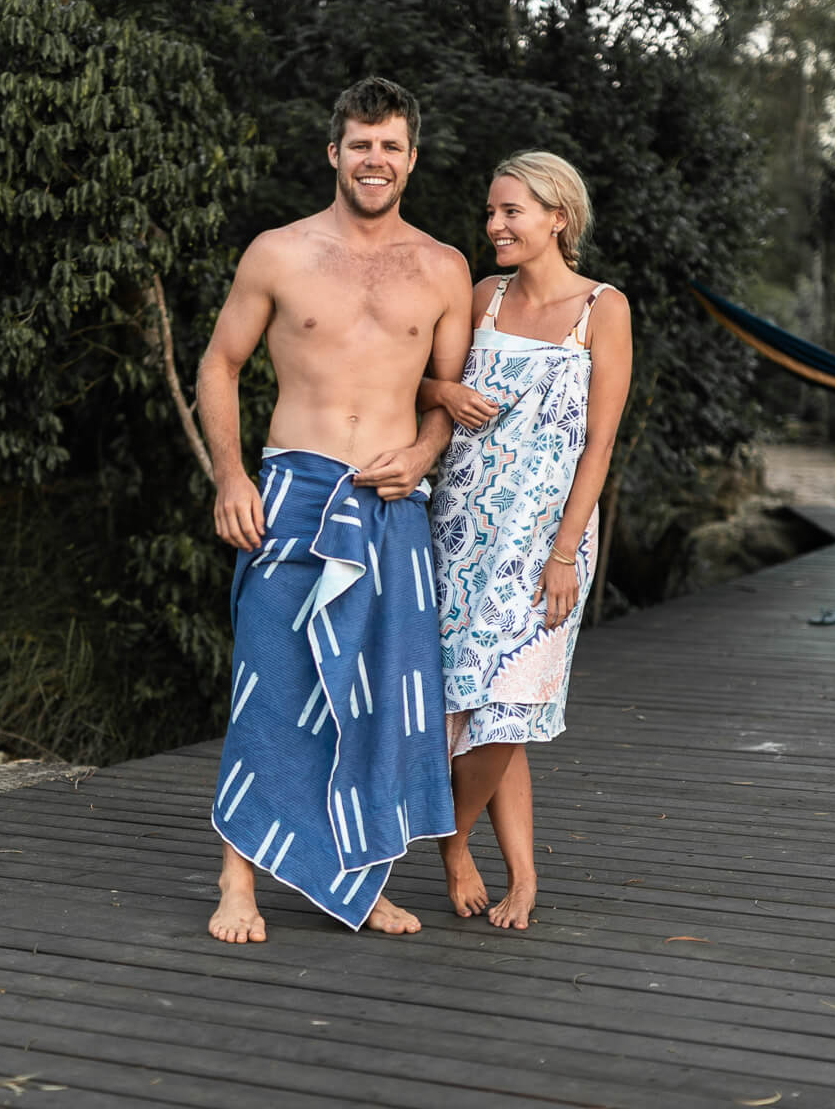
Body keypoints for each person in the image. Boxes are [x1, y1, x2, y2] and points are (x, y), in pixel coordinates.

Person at [195, 77, 475, 943]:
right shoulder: (278, 252)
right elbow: (219, 366)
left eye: (391, 146)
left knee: (382, 696)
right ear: (334, 153)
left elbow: (447, 396)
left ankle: (360, 881)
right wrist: (231, 477)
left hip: (391, 504)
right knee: (269, 684)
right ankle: (235, 880)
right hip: (292, 492)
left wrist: (427, 453)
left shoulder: (442, 267)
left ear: (412, 159)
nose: (375, 160)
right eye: (361, 144)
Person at [424, 150, 632, 929]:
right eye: (490, 212)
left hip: (547, 541)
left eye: (510, 212)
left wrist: (563, 552)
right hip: (462, 530)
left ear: (558, 218)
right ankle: (525, 876)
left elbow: (600, 443)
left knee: (514, 701)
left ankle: (450, 838)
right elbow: (413, 376)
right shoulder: (480, 298)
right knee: (478, 708)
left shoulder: (601, 309)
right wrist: (441, 388)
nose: (494, 226)